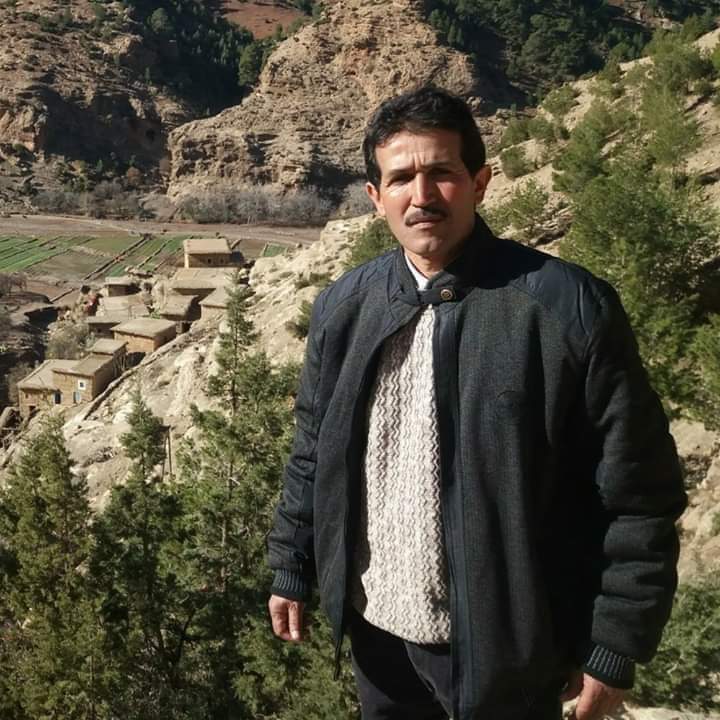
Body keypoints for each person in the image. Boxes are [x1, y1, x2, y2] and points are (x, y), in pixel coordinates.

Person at [266, 86, 686, 720]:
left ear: (480, 182)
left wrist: (614, 646)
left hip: (509, 650)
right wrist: (292, 564)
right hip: (377, 636)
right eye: (400, 178)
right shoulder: (344, 307)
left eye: (442, 172)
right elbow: (312, 451)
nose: (422, 196)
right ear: (376, 197)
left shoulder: (566, 309)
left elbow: (639, 493)